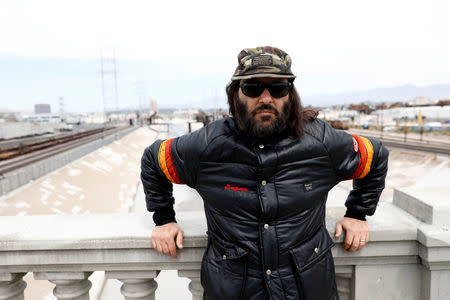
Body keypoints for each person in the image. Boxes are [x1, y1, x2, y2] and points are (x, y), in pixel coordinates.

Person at [141, 46, 389, 300]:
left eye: (278, 88)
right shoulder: (208, 146)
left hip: (308, 290)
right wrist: (164, 219)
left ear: (290, 96)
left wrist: (358, 213)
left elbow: (376, 155)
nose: (266, 98)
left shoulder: (321, 142)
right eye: (253, 88)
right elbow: (153, 160)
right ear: (235, 95)